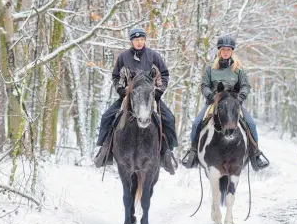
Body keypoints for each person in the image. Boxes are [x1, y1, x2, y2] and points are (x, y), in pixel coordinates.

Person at [94, 27, 178, 174]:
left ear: (145, 40)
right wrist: (121, 90)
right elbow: (116, 77)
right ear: (131, 41)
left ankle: (167, 153)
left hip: (150, 97)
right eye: (135, 40)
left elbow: (164, 75)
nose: (139, 42)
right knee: (107, 117)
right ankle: (105, 150)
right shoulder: (123, 57)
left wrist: (158, 92)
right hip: (128, 97)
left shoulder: (154, 56)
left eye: (141, 39)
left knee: (169, 118)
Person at [182, 35, 269, 171]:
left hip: (234, 104)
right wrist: (210, 96)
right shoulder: (211, 68)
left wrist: (241, 97)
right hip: (214, 103)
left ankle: (255, 154)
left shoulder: (238, 69)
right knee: (196, 123)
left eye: (229, 50)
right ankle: (192, 152)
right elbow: (204, 85)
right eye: (223, 49)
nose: (226, 52)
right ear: (219, 51)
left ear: (232, 51)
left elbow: (245, 85)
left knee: (250, 123)